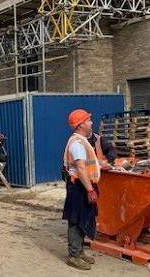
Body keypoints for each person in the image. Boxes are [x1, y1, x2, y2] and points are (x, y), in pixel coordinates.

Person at [62, 109, 103, 270]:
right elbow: (80, 168)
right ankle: (73, 255)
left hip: (81, 185)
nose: (91, 123)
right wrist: (89, 190)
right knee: (76, 220)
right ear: (81, 125)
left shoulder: (80, 141)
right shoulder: (77, 144)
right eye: (89, 120)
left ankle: (79, 252)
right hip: (79, 186)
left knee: (83, 219)